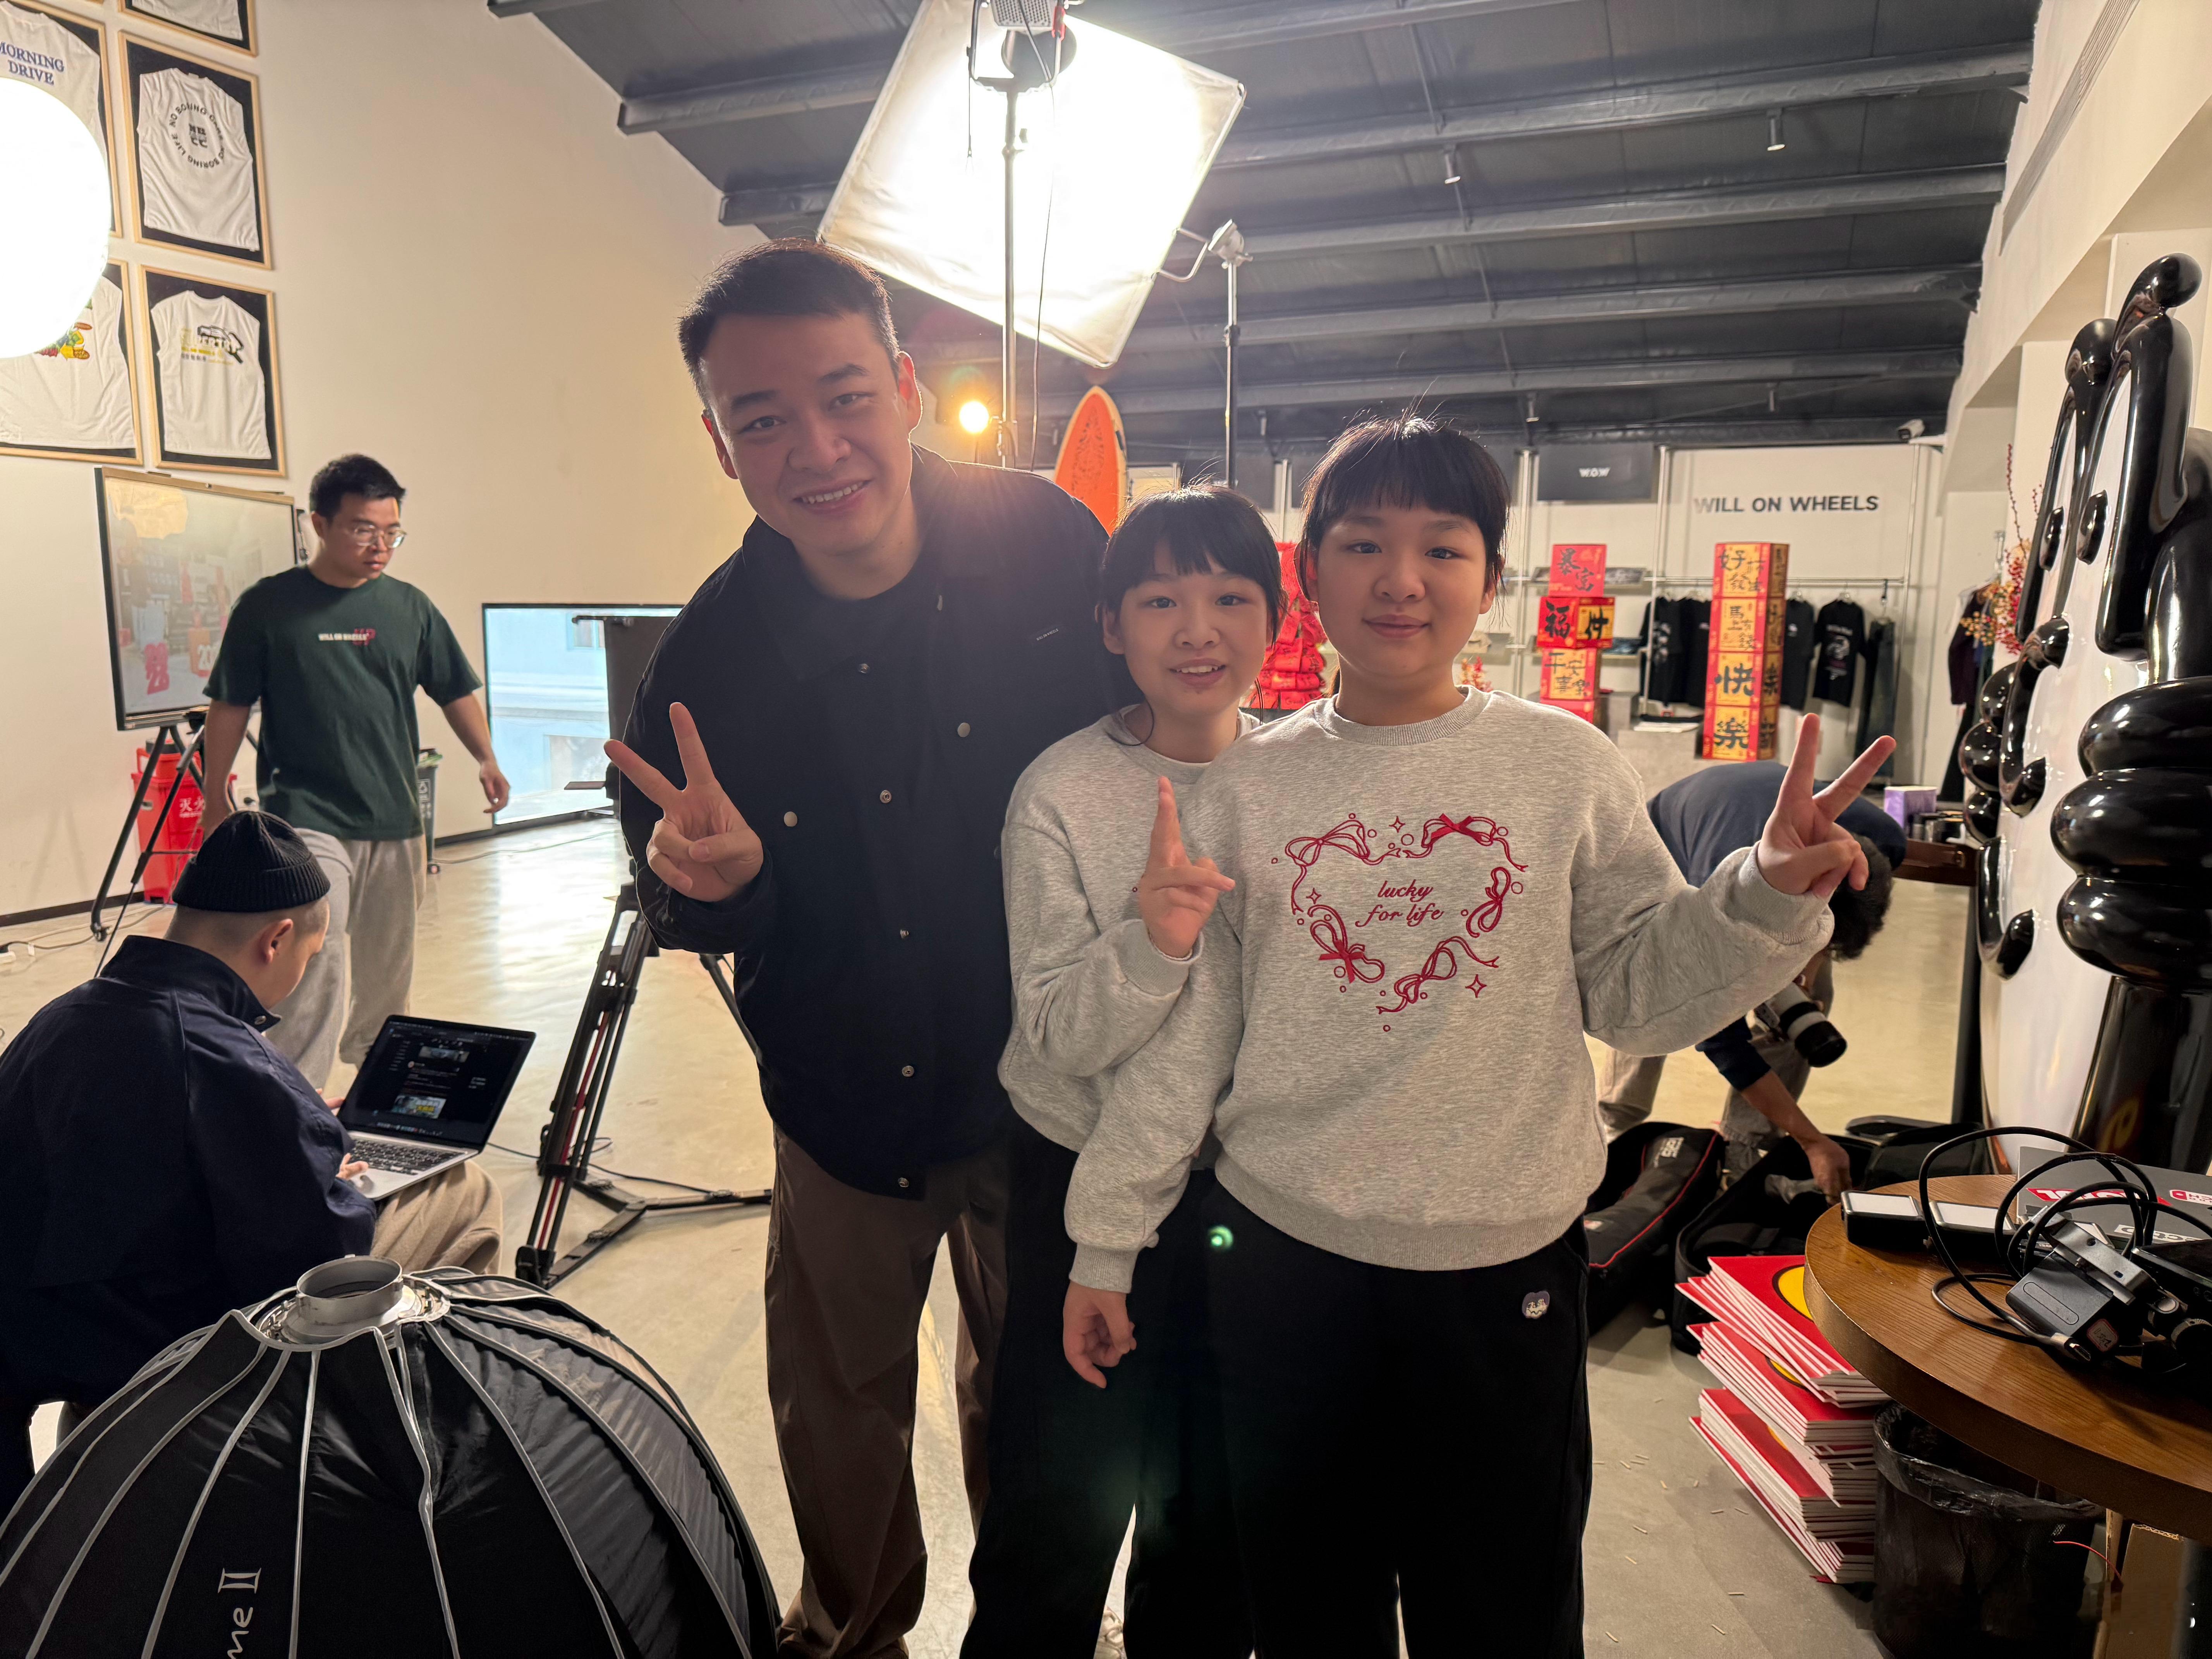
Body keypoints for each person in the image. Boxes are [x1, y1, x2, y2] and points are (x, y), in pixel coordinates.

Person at [1058, 415, 1894, 1655]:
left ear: (1491, 578)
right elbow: (1187, 1047)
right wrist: (1107, 1241)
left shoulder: (1564, 767)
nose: (1401, 580)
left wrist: (1766, 889)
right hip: (1284, 1268)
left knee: (1501, 1612)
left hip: (1502, 1275)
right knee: (1307, 1609)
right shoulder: (1245, 789)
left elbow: (1637, 994)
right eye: (1363, 545)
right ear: (1309, 575)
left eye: (1442, 549)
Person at [603, 239, 1120, 1659]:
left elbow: (1156, 740)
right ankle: (851, 1631)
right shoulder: (708, 659)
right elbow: (675, 881)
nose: (816, 450)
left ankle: (1038, 1628)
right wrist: (719, 892)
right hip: (841, 1097)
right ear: (720, 443)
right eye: (762, 418)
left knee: (1046, 1389)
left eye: (843, 398)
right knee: (837, 1408)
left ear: (902, 388)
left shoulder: (1046, 547)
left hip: (1045, 1085)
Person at [964, 488, 1276, 1657]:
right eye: (1159, 601)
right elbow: (1053, 1033)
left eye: (1229, 598)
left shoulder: (1300, 780)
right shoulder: (1058, 791)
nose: (1196, 630)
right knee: (1055, 1508)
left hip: (1251, 1195)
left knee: (1213, 1521)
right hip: (1077, 1181)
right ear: (1111, 625)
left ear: (1274, 619)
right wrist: (1154, 942)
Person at [0, 813, 503, 1510]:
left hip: (50, 1342)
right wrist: (331, 1174)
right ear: (277, 940)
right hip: (177, 1349)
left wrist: (297, 1126)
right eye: (310, 957)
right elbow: (316, 1252)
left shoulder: (59, 1018)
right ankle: (429, 1430)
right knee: (463, 1188)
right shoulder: (228, 1056)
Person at [198, 453, 511, 1091]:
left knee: (389, 962)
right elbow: (230, 703)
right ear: (320, 523)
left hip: (394, 813)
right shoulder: (269, 607)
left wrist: (486, 756)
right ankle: (294, 1088)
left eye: (392, 532)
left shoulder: (409, 608)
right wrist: (213, 796)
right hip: (304, 811)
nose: (380, 546)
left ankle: (376, 1073)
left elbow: (453, 689)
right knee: (318, 941)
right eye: (364, 529)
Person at [1596, 759, 1905, 1193]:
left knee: (1807, 1011)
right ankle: (1612, 1126)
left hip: (1764, 838)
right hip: (1672, 853)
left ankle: (1745, 1143)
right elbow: (1720, 1041)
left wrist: (1803, 975)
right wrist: (1811, 1140)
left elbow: (1844, 911)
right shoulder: (1718, 894)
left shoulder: (1887, 841)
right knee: (1650, 1000)